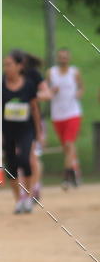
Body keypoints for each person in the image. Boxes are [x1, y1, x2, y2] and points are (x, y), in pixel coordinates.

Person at [2, 51, 42, 213]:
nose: (6, 68)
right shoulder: (1, 85)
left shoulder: (28, 85)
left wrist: (38, 131)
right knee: (11, 165)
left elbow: (34, 108)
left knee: (25, 159)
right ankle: (18, 200)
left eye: (10, 64)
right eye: (5, 65)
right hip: (8, 131)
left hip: (26, 130)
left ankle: (28, 195)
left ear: (19, 66)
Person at [47, 48, 84, 189]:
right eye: (61, 57)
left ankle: (66, 177)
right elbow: (46, 91)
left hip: (73, 113)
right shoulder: (51, 73)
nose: (63, 59)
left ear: (69, 58)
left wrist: (79, 93)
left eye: (65, 57)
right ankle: (76, 173)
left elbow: (81, 87)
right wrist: (52, 91)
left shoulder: (74, 72)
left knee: (69, 143)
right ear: (58, 58)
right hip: (57, 115)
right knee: (67, 148)